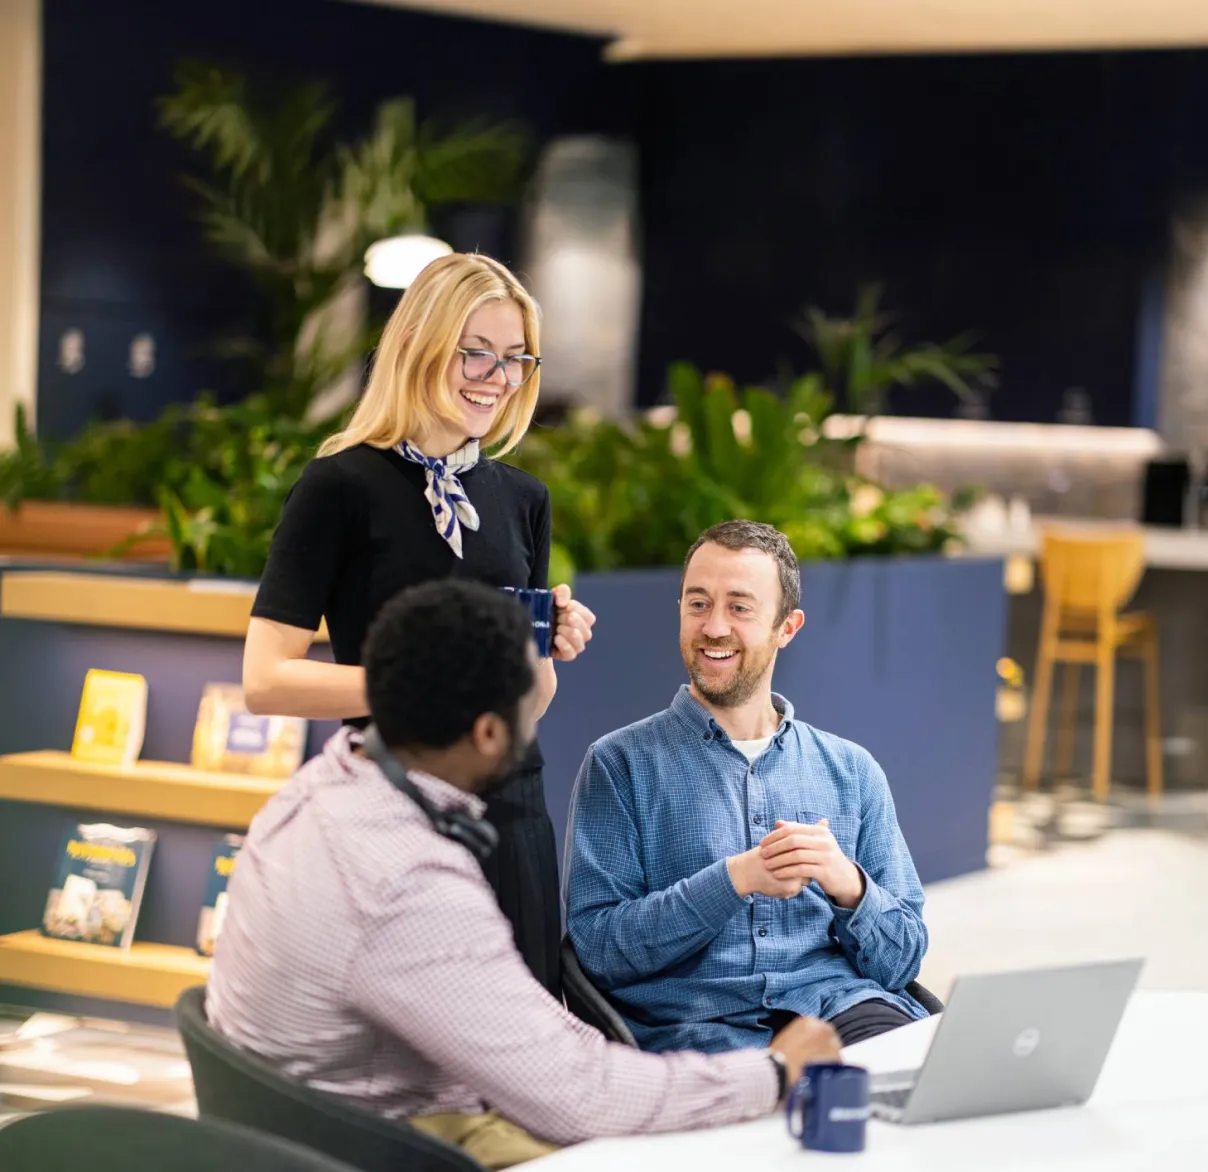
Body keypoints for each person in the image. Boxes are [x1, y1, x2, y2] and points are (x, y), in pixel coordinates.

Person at [208, 580, 841, 1170]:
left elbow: (517, 1023)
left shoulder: (316, 790)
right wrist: (775, 1073)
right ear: (489, 731)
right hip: (394, 1142)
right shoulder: (408, 881)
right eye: (532, 697)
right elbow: (576, 1098)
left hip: (307, 1127)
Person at [241, 253, 595, 997]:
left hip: (511, 814)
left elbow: (530, 704)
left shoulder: (522, 499)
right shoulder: (338, 486)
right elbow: (266, 680)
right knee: (404, 1077)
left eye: (514, 361)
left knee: (519, 1058)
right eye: (476, 352)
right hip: (391, 811)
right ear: (420, 345)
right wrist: (424, 691)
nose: (495, 379)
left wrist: (543, 650)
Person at [563, 520, 930, 1055]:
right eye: (698, 604)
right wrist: (734, 880)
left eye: (739, 607)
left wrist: (848, 884)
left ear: (787, 627)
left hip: (840, 1013)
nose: (713, 627)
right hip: (700, 1033)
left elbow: (903, 961)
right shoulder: (618, 765)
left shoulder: (851, 770)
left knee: (924, 1096)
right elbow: (599, 951)